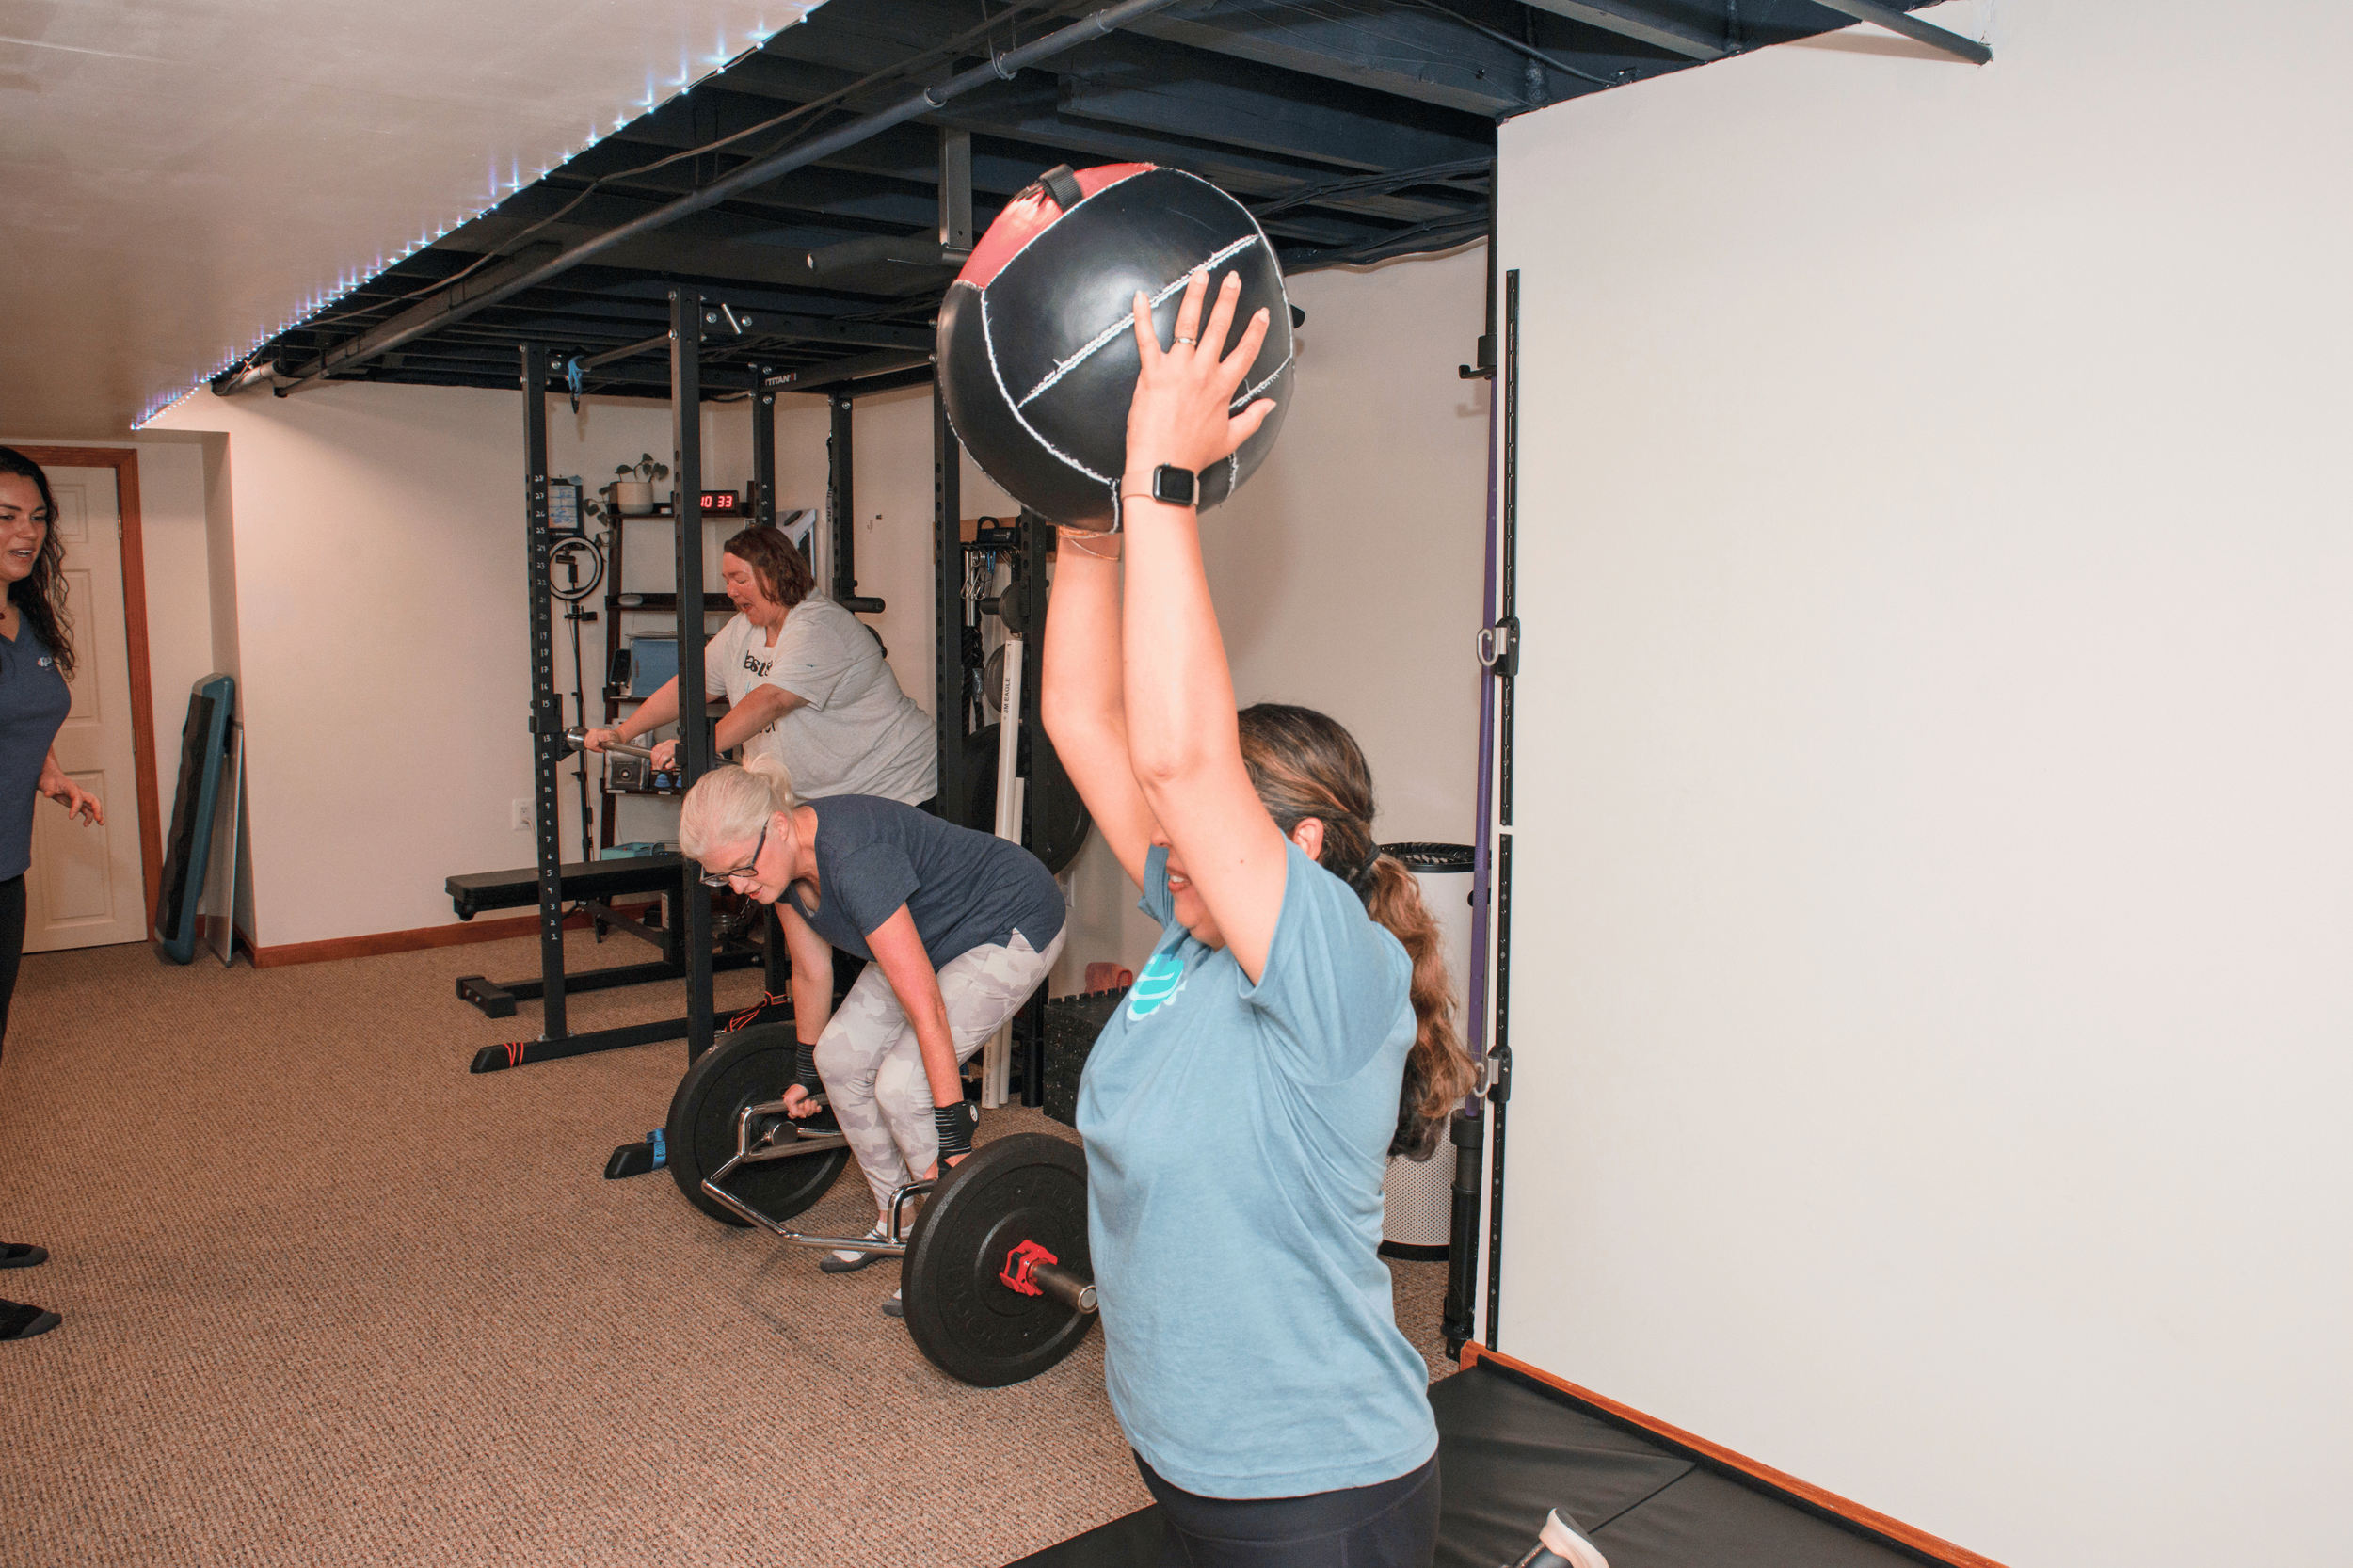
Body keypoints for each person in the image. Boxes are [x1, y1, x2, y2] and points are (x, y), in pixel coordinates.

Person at [1040, 271, 1479, 1566]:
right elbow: (1083, 718)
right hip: (1185, 1447)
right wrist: (1085, 525)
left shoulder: (1338, 966)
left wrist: (1162, 488)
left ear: (1296, 844)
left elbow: (1177, 764)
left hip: (1322, 1485)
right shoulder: (1191, 925)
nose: (1164, 846)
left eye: (1205, 825)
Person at [679, 755, 1065, 1316]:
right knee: (840, 1060)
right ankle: (898, 1218)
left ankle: (948, 1238)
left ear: (779, 826)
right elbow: (811, 971)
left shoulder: (856, 862)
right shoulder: (778, 870)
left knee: (902, 1085)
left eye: (741, 868)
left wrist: (955, 1140)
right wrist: (807, 1072)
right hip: (925, 932)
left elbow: (925, 1006)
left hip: (1008, 921)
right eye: (721, 877)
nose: (737, 887)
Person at [584, 524, 936, 808]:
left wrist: (695, 748)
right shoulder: (743, 630)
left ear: (775, 575)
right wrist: (621, 733)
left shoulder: (818, 627)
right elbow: (690, 686)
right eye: (726, 581)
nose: (730, 591)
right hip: (818, 797)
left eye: (740, 579)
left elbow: (771, 700)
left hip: (892, 786)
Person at [0, 447, 105, 1344]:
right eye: (5, 515)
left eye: (35, 517)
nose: (26, 532)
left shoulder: (19, 620)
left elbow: (24, 722)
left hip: (3, 872)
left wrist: (55, 778)